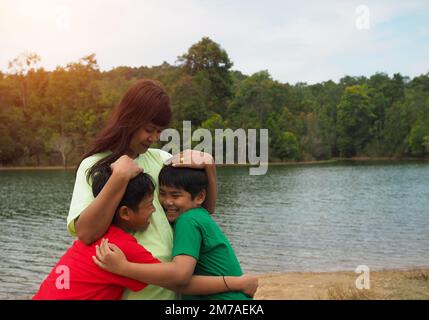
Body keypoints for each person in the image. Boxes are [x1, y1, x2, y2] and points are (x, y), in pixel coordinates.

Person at [67, 79, 218, 299]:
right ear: (130, 120)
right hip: (129, 292)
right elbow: (86, 232)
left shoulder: (163, 160)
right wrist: (118, 177)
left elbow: (205, 208)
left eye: (159, 131)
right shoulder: (94, 166)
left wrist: (210, 168)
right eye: (149, 129)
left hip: (170, 287)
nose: (155, 138)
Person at [33, 166, 257, 300]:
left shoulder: (94, 236)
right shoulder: (120, 248)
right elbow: (179, 280)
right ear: (125, 213)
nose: (156, 209)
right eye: (151, 204)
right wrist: (237, 283)